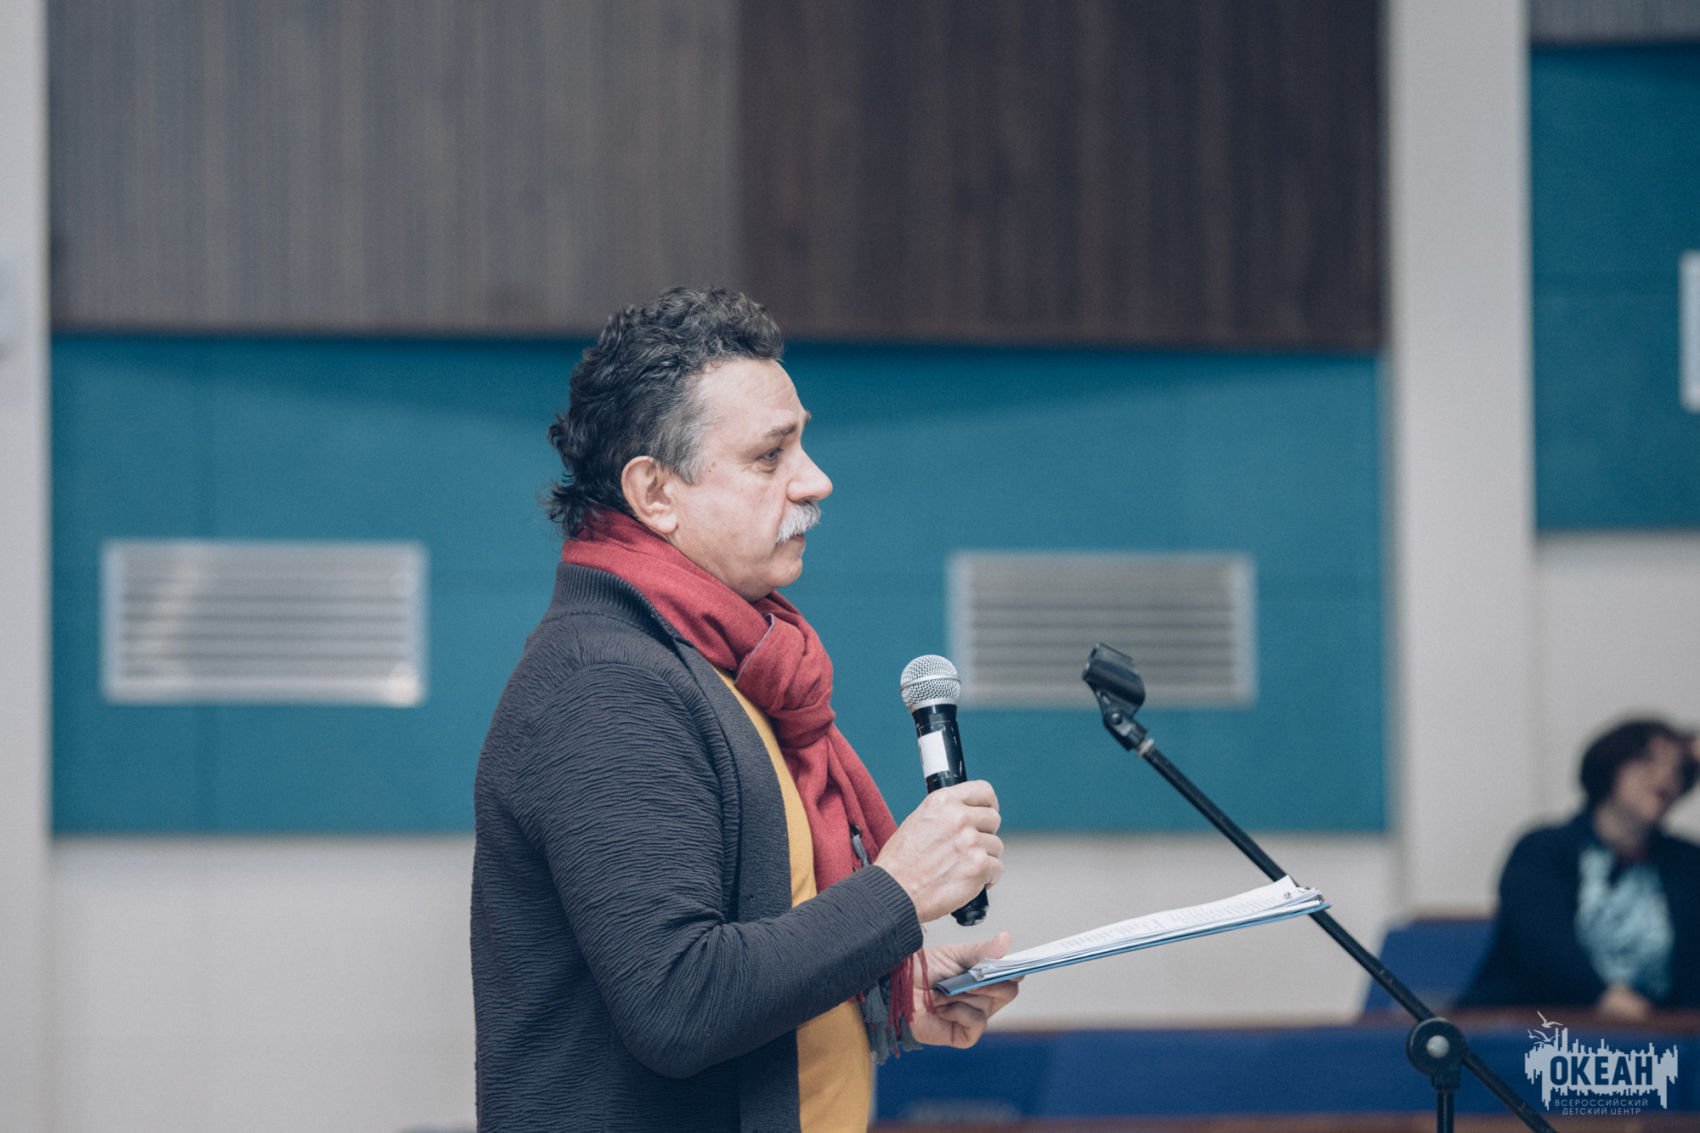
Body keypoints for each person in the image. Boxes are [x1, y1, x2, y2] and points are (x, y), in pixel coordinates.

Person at [471, 287, 1018, 1132]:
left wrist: (876, 989)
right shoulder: (606, 682)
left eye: (801, 441)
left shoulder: (720, 664)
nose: (815, 479)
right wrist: (897, 892)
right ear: (655, 492)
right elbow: (679, 1001)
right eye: (770, 456)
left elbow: (752, 948)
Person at [1462, 718, 1700, 1018]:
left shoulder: (1687, 863)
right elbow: (1542, 946)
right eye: (1647, 760)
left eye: (1679, 768)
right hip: (1535, 1028)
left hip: (1656, 1036)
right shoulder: (1544, 848)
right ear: (1610, 766)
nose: (1666, 775)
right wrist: (1610, 1001)